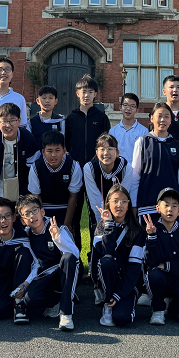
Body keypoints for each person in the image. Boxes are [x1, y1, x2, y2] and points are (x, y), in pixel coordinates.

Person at [17, 194, 80, 331]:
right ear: (23, 220)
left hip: (62, 273)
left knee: (68, 258)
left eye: (35, 210)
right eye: (27, 213)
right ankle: (57, 301)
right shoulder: (27, 234)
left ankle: (66, 312)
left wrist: (57, 238)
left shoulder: (58, 228)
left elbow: (75, 255)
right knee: (30, 299)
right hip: (45, 276)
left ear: (42, 211)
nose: (32, 216)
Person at [0, 103, 40, 240]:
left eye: (12, 120)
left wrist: (24, 200)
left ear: (19, 121)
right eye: (4, 121)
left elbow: (33, 175)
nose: (8, 125)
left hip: (21, 195)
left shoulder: (28, 140)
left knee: (21, 233)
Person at [84, 133, 133, 304]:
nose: (106, 153)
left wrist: (116, 219)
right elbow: (95, 198)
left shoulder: (126, 167)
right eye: (102, 149)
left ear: (117, 152)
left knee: (119, 247)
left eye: (110, 149)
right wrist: (105, 222)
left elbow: (123, 196)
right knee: (98, 245)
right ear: (96, 152)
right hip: (99, 215)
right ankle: (97, 285)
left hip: (120, 214)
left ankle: (121, 283)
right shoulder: (89, 168)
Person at [65, 74, 110, 254]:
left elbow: (106, 144)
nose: (86, 95)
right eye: (83, 92)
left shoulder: (101, 117)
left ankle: (95, 254)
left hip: (95, 171)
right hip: (75, 171)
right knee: (74, 215)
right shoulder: (71, 118)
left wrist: (94, 161)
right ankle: (74, 253)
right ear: (77, 93)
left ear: (95, 95)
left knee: (96, 214)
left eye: (90, 92)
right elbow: (67, 144)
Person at [143, 187, 179, 326]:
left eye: (175, 206)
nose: (170, 209)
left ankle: (174, 305)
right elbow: (151, 262)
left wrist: (166, 265)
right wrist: (151, 237)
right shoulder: (152, 230)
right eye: (166, 205)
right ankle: (158, 309)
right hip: (162, 279)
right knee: (154, 275)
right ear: (158, 208)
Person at [94, 185, 146, 327]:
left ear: (129, 205)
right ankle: (107, 303)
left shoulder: (138, 232)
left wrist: (119, 294)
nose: (119, 205)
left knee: (122, 318)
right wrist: (109, 225)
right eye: (115, 201)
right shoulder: (100, 227)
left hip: (128, 282)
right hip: (107, 278)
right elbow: (106, 253)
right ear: (108, 204)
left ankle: (118, 300)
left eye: (124, 201)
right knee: (107, 261)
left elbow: (135, 268)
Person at [130, 102, 179, 224]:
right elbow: (135, 177)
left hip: (172, 208)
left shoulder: (177, 145)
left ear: (171, 120)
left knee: (173, 242)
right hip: (147, 206)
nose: (163, 120)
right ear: (152, 118)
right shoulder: (142, 142)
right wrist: (134, 206)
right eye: (159, 116)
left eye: (167, 116)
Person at [0, 197, 38, 324]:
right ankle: (11, 303)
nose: (3, 221)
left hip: (20, 278)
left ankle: (19, 305)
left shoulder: (23, 236)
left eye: (7, 216)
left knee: (24, 253)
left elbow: (36, 264)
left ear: (14, 218)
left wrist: (25, 284)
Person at [27, 131, 83, 228]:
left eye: (57, 150)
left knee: (69, 239)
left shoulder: (73, 166)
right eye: (49, 151)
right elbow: (36, 197)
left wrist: (67, 223)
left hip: (66, 208)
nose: (53, 155)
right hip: (43, 208)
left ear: (64, 151)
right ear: (43, 152)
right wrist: (42, 221)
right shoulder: (36, 167)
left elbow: (73, 196)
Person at [108, 93, 148, 164]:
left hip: (136, 172)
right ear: (120, 107)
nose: (128, 108)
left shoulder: (143, 131)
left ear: (137, 110)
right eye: (125, 105)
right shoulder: (113, 131)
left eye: (132, 106)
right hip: (117, 170)